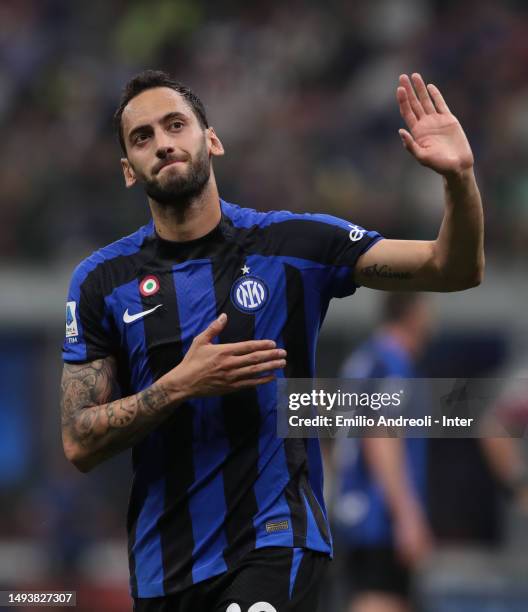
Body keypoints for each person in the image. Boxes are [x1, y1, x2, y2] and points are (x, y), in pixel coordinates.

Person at [60, 69, 484, 612]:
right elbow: (78, 441)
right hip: (162, 570)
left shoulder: (291, 243)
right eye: (142, 138)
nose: (163, 143)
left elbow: (453, 268)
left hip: (276, 541)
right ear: (128, 170)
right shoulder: (101, 282)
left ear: (210, 139)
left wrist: (459, 179)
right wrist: (179, 386)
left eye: (175, 125)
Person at [334, 293, 434, 612]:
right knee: (379, 599)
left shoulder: (362, 360)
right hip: (380, 517)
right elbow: (380, 434)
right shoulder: (392, 364)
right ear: (414, 314)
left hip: (356, 508)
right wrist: (407, 514)